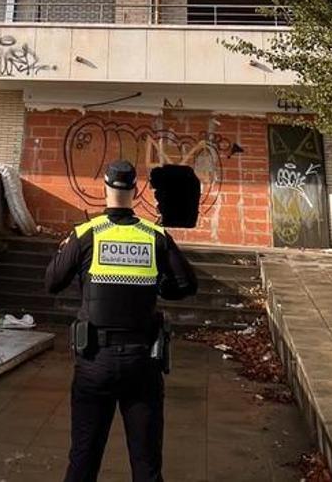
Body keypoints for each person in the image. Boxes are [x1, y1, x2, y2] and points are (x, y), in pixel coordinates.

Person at [45, 160, 199, 482]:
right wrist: (158, 284)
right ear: (134, 191)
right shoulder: (155, 236)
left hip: (94, 363)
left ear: (104, 188)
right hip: (142, 363)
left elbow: (52, 283)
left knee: (83, 460)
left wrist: (65, 254)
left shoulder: (85, 234)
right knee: (146, 465)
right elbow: (187, 284)